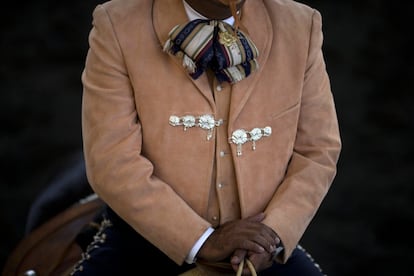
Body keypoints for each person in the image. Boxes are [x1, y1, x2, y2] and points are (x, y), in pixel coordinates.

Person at [72, 0, 341, 275]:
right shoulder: (117, 23)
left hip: (261, 244)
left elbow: (317, 150)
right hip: (145, 241)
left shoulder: (300, 24)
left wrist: (272, 235)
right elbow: (111, 161)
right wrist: (201, 240)